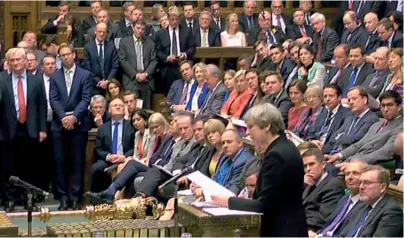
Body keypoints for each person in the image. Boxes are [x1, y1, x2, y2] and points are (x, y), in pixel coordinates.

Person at [211, 103, 308, 237]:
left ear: (266, 126)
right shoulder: (285, 146)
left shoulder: (277, 155)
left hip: (282, 230)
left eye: (251, 127)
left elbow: (264, 205)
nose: (248, 133)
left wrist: (228, 201)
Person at [0, 48, 47, 212]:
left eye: (18, 60)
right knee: (8, 167)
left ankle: (28, 198)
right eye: (12, 61)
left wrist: (43, 129)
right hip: (7, 130)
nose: (15, 63)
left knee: (29, 166)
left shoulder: (36, 80)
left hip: (30, 128)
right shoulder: (2, 79)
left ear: (25, 61)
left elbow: (42, 105)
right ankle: (10, 200)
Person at [49, 43, 92, 210]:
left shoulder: (85, 75)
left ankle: (75, 196)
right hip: (59, 126)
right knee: (60, 162)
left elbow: (86, 98)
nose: (66, 57)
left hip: (79, 125)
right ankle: (63, 197)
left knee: (76, 162)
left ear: (74, 55)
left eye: (68, 54)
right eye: (62, 55)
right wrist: (64, 118)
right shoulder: (55, 76)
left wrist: (74, 117)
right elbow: (53, 99)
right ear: (59, 58)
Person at [334, 166, 403, 237]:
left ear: (382, 188)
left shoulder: (391, 212)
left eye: (367, 183)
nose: (361, 187)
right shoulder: (361, 205)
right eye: (360, 182)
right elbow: (342, 234)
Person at [89, 98, 135, 192]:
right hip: (108, 160)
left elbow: (135, 146)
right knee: (95, 168)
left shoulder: (132, 126)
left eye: (121, 105)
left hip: (126, 159)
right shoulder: (103, 128)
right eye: (115, 105)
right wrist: (108, 156)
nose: (118, 106)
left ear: (124, 110)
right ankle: (94, 198)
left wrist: (124, 156)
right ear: (109, 110)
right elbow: (98, 148)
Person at [314, 160, 368, 238]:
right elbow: (328, 224)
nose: (350, 177)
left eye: (355, 173)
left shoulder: (366, 204)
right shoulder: (344, 199)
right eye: (347, 174)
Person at [119, 19, 157, 109]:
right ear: (133, 28)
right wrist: (136, 75)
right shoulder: (124, 42)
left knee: (146, 110)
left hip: (146, 81)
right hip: (131, 80)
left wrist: (145, 74)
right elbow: (123, 60)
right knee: (131, 109)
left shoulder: (150, 43)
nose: (140, 31)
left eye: (142, 29)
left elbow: (154, 60)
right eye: (138, 28)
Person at [83, 22, 119, 96]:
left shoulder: (111, 46)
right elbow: (87, 68)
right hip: (94, 85)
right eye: (99, 31)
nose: (101, 34)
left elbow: (115, 66)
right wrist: (99, 82)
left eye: (104, 32)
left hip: (110, 85)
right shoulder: (88, 47)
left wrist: (107, 81)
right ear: (95, 31)